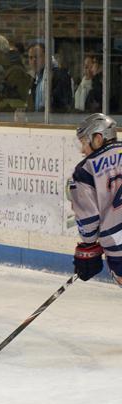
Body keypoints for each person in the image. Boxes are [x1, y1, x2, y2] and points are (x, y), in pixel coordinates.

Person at [69, 113, 122, 287]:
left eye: (84, 142)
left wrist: (88, 245)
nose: (82, 150)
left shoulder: (85, 170)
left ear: (98, 138)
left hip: (117, 243)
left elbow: (88, 218)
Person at [26, 42, 72, 113]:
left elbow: (63, 105)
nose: (34, 60)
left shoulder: (59, 75)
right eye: (31, 58)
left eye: (37, 56)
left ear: (46, 57)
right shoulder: (35, 80)